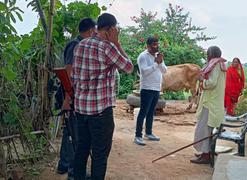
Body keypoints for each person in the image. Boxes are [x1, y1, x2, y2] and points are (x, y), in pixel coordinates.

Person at [71, 13, 133, 180]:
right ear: (111, 29)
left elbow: (74, 77)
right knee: (99, 154)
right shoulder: (107, 47)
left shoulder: (80, 45)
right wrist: (116, 42)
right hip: (100, 113)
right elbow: (128, 67)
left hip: (81, 109)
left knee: (82, 150)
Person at [56, 18, 96, 179]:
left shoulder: (78, 44)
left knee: (69, 131)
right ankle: (73, 172)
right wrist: (68, 98)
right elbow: (68, 72)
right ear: (91, 30)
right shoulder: (76, 45)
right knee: (75, 134)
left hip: (71, 94)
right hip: (70, 94)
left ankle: (63, 165)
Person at [191, 46, 226, 164]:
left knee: (204, 130)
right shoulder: (221, 64)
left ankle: (205, 155)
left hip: (210, 103)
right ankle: (207, 151)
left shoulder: (215, 65)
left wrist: (202, 81)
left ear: (212, 54)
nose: (207, 55)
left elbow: (211, 83)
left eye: (208, 53)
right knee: (208, 130)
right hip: (214, 103)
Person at [134, 37, 167, 146]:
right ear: (148, 46)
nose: (156, 46)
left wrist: (160, 62)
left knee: (151, 112)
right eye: (154, 45)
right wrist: (156, 64)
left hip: (156, 88)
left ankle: (148, 133)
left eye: (157, 44)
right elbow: (144, 72)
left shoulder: (158, 56)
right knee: (143, 112)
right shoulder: (143, 56)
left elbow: (165, 71)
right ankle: (138, 136)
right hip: (147, 88)